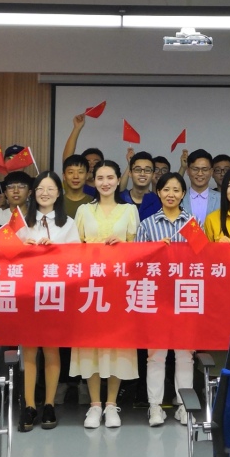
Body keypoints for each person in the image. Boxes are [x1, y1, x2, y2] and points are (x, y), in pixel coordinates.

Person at [73, 160, 140, 429]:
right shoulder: (83, 210)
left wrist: (123, 246)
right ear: (94, 180)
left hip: (119, 287)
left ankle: (111, 404)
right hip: (90, 288)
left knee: (117, 344)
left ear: (118, 179)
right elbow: (73, 249)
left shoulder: (129, 210)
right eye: (100, 177)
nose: (105, 182)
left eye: (110, 177)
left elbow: (138, 250)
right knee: (90, 344)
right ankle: (94, 405)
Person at [17, 171, 80, 432]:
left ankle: (50, 404)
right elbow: (7, 257)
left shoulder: (69, 224)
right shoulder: (21, 222)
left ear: (58, 193)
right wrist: (24, 247)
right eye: (40, 189)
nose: (45, 193)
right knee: (29, 351)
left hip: (55, 294)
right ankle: (30, 405)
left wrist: (55, 248)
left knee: (52, 350)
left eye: (51, 188)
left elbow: (78, 259)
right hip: (27, 294)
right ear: (33, 193)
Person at [135, 172, 196, 426]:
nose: (171, 194)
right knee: (156, 355)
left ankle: (184, 407)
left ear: (183, 194)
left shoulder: (192, 223)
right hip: (156, 296)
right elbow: (137, 263)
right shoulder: (147, 225)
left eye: (176, 190)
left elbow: (203, 260)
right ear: (158, 193)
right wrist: (154, 250)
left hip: (185, 295)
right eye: (166, 189)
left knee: (185, 355)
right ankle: (155, 407)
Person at [182, 149, 220, 226]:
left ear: (211, 171)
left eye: (204, 169)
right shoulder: (179, 198)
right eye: (195, 169)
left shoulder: (221, 199)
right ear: (187, 171)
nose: (200, 173)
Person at [119, 151, 161, 220]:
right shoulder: (119, 199)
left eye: (147, 170)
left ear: (153, 175)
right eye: (137, 170)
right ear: (130, 173)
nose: (142, 174)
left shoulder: (158, 203)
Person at [61, 154, 94, 219]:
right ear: (64, 176)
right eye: (71, 172)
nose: (76, 176)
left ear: (87, 175)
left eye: (80, 172)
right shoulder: (56, 202)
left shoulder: (93, 203)